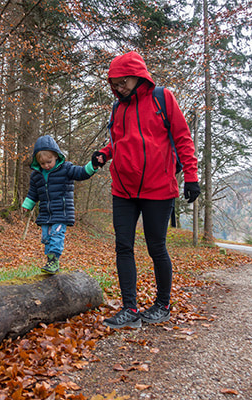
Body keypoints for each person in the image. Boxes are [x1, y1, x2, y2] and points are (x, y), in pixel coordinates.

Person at [91, 51, 200, 329]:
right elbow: (120, 142)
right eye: (113, 84)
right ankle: (129, 309)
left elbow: (182, 138)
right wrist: (104, 154)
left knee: (156, 247)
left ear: (137, 77)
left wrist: (191, 177)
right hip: (123, 189)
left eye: (121, 82)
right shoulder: (119, 108)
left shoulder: (163, 99)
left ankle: (162, 304)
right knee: (123, 247)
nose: (118, 88)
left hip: (159, 189)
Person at [22, 134, 98, 274]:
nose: (46, 165)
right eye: (42, 163)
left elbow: (80, 173)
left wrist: (92, 166)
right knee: (46, 238)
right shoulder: (37, 175)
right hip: (45, 213)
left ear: (56, 156)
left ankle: (53, 261)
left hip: (61, 212)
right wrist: (28, 204)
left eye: (49, 162)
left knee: (56, 236)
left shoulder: (66, 169)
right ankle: (49, 260)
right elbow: (33, 192)